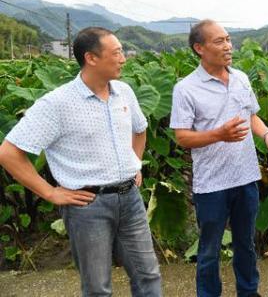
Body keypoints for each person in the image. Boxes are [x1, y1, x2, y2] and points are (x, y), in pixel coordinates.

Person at [0, 27, 162, 296]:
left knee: (148, 275)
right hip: (88, 206)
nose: (124, 58)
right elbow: (8, 153)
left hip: (131, 199)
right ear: (91, 58)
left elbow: (140, 128)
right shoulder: (57, 103)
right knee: (97, 287)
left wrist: (134, 162)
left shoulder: (124, 92)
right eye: (117, 52)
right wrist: (49, 192)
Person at [170, 19, 268, 297]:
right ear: (199, 48)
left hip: (246, 177)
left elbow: (251, 115)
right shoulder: (186, 89)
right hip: (212, 184)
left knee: (246, 243)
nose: (228, 46)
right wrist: (219, 134)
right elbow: (182, 137)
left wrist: (267, 134)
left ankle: (248, 292)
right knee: (210, 250)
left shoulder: (240, 79)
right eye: (219, 41)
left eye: (228, 39)